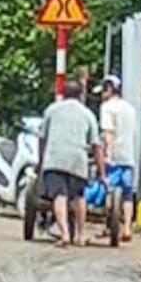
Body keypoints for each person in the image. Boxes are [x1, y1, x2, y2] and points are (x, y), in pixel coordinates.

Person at [38, 82, 101, 246]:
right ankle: (80, 236)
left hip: (55, 159)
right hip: (78, 161)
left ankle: (65, 234)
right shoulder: (88, 114)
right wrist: (102, 172)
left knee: (60, 195)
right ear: (81, 95)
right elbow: (96, 145)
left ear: (63, 94)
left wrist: (41, 161)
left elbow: (42, 138)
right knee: (79, 196)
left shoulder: (51, 110)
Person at [97, 74, 139, 243]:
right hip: (128, 155)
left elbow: (109, 132)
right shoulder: (130, 109)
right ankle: (127, 227)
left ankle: (109, 226)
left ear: (109, 90)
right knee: (127, 193)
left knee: (109, 190)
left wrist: (107, 154)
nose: (101, 95)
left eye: (103, 91)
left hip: (114, 156)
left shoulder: (107, 108)